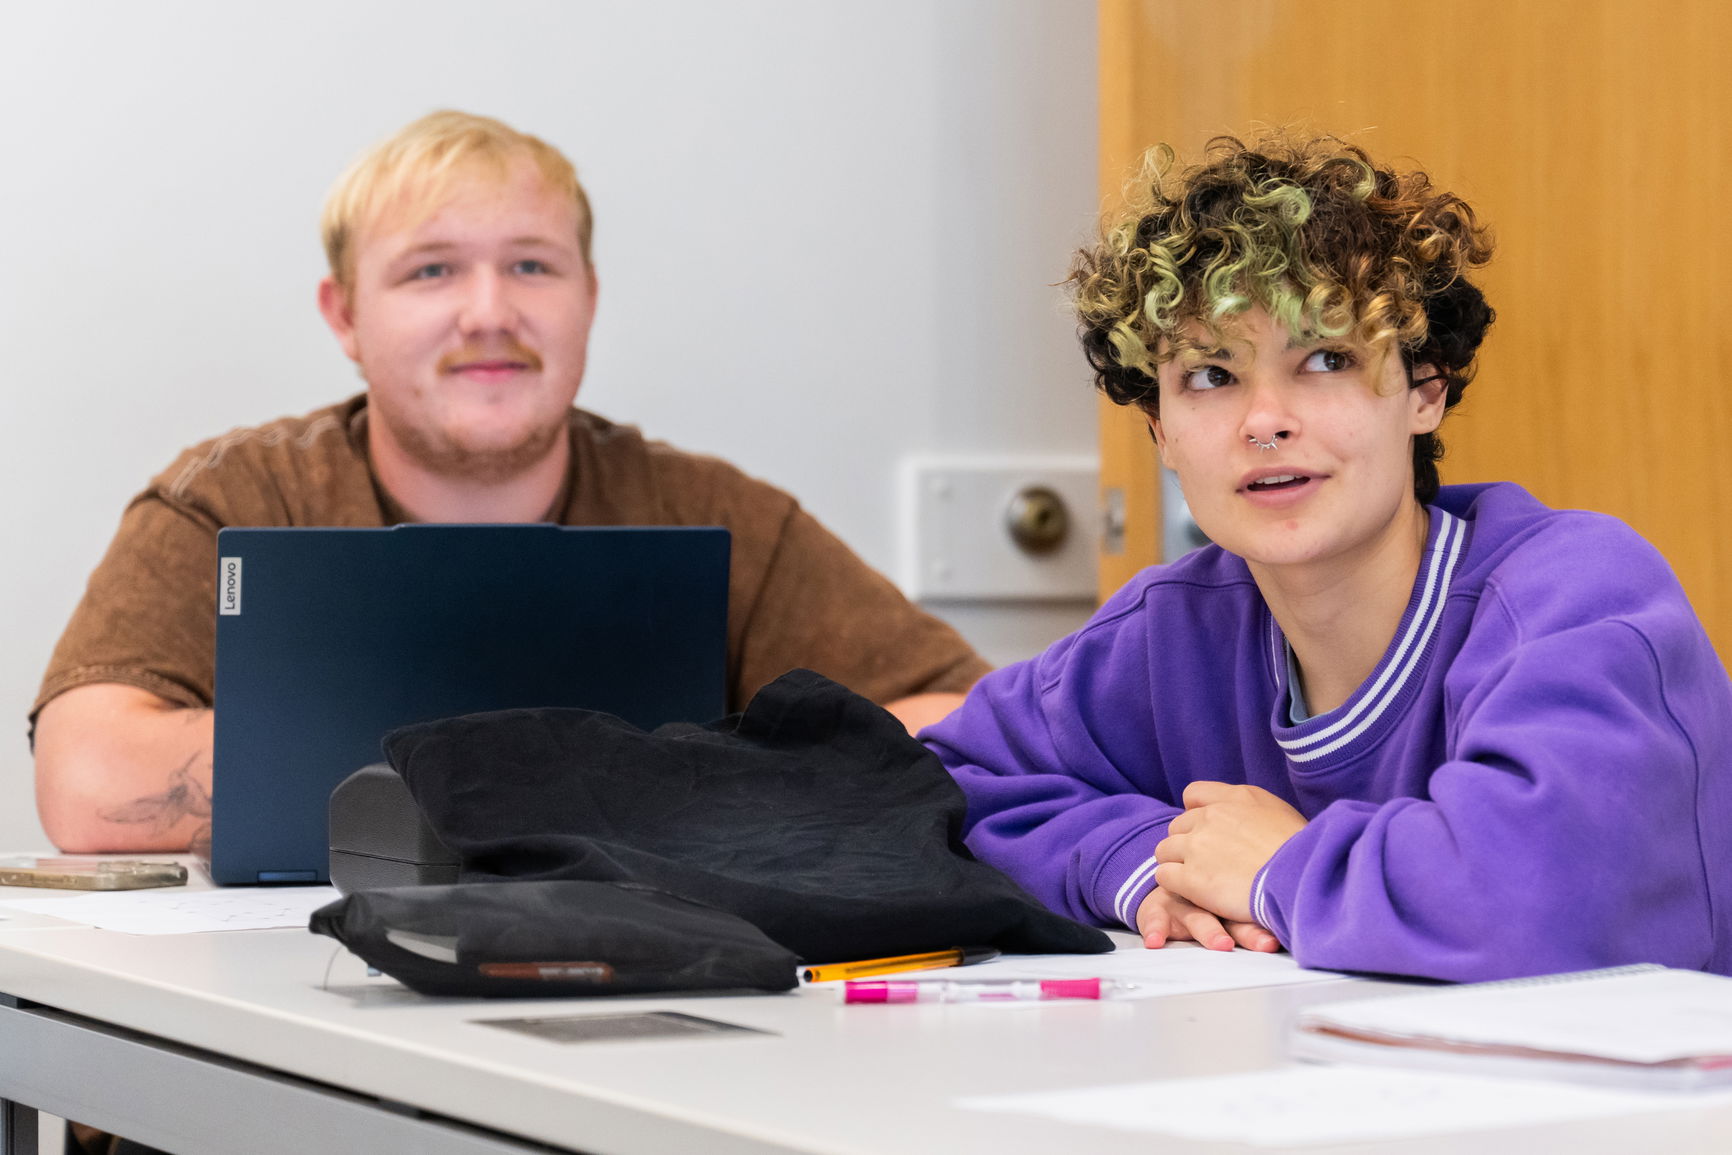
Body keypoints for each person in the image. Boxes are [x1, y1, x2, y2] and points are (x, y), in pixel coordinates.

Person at [34, 110, 989, 856]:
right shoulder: (231, 501)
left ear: (589, 297)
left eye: (532, 265)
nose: (489, 313)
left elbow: (973, 721)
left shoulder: (720, 516)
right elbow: (87, 779)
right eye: (431, 271)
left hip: (636, 990)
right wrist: (592, 775)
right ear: (345, 315)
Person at [923, 135, 1732, 983]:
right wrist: (1148, 861)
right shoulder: (1170, 630)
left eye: (1326, 359)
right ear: (1159, 428)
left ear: (1427, 389)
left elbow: (1537, 897)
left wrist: (1281, 866)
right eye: (1210, 374)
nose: (1264, 419)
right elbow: (940, 784)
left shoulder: (1577, 596)